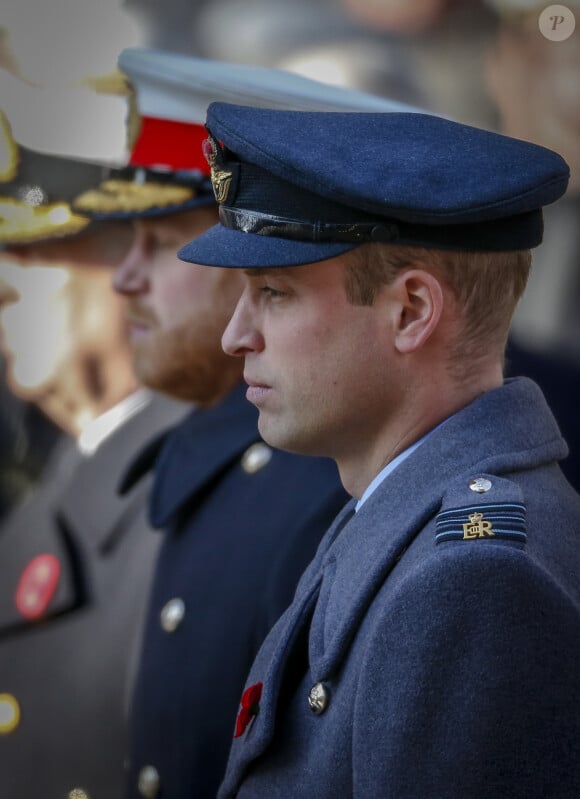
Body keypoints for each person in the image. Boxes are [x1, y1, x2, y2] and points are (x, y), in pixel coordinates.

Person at [178, 102, 580, 798]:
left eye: (273, 292)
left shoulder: (471, 581)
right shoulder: (405, 513)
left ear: (411, 312)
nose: (235, 336)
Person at [0, 92, 189, 799]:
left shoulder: (188, 492)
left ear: (137, 267)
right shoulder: (62, 475)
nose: (3, 285)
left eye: (35, 250)